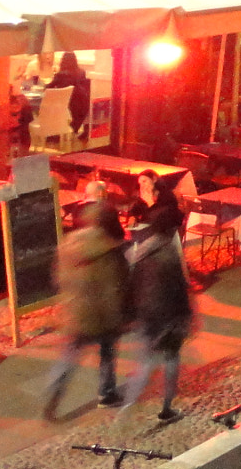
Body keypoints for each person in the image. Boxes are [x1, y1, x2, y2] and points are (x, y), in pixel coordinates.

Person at [42, 201, 130, 420]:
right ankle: (106, 394)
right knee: (107, 355)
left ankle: (53, 393)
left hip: (76, 312)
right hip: (104, 315)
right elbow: (116, 285)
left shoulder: (67, 244)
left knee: (68, 357)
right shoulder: (111, 248)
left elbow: (57, 278)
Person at [124, 171, 193, 422]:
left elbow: (135, 282)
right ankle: (166, 408)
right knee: (170, 359)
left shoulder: (141, 255)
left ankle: (129, 406)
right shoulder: (170, 255)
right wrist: (187, 316)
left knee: (146, 362)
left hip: (149, 314)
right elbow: (180, 287)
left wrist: (132, 310)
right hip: (169, 316)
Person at [47, 51, 91, 133]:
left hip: (67, 103)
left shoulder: (61, 75)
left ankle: (53, 130)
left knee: (49, 106)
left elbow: (49, 87)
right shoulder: (81, 72)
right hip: (82, 102)